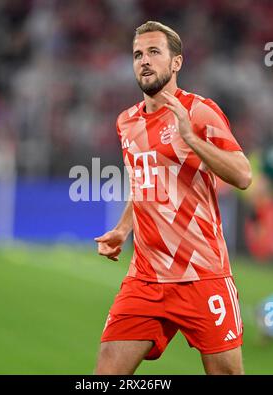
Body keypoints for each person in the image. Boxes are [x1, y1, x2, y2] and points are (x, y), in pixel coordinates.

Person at [94, 21, 252, 375]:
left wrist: (192, 140)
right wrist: (122, 229)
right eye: (137, 54)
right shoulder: (126, 122)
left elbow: (243, 175)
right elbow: (143, 185)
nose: (144, 61)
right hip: (146, 280)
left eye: (154, 52)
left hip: (203, 276)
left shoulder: (199, 112)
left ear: (176, 62)